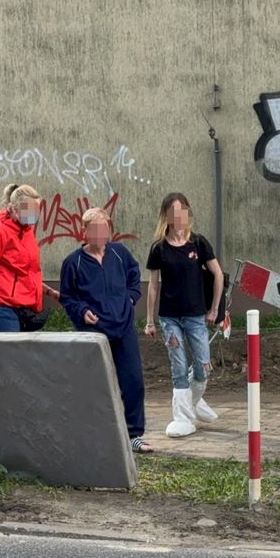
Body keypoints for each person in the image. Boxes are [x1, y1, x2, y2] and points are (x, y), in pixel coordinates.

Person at [59, 208, 151, 454]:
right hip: (94, 332)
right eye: (96, 230)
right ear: (85, 231)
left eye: (105, 229)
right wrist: (80, 312)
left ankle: (134, 435)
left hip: (124, 328)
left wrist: (131, 299)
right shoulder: (73, 263)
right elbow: (68, 297)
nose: (101, 234)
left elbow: (134, 277)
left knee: (133, 380)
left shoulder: (120, 253)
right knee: (96, 383)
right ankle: (96, 433)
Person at [145, 193, 223, 438]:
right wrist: (149, 321)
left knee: (204, 366)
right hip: (170, 318)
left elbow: (218, 275)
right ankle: (183, 417)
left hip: (196, 316)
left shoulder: (198, 243)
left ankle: (193, 400)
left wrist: (214, 310)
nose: (178, 218)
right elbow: (153, 285)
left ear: (187, 214)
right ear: (166, 216)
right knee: (178, 366)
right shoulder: (158, 248)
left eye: (182, 212)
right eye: (172, 213)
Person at [0, 183, 60, 332]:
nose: (35, 214)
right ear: (15, 209)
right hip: (3, 307)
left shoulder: (27, 231)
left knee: (20, 355)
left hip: (25, 306)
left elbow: (27, 271)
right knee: (7, 354)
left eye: (37, 209)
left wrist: (48, 291)